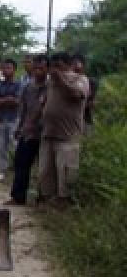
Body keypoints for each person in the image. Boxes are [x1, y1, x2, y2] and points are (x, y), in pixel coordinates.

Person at [38, 52, 90, 209]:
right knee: (46, 171)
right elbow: (44, 102)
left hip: (68, 136)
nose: (55, 70)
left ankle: (64, 202)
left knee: (66, 172)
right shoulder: (50, 82)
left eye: (59, 66)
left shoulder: (80, 79)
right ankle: (47, 200)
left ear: (68, 65)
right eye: (53, 66)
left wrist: (61, 80)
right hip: (49, 133)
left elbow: (77, 95)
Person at [7, 55, 47, 205]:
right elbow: (22, 109)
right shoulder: (28, 87)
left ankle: (42, 198)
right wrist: (20, 127)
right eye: (36, 68)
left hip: (44, 132)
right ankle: (18, 196)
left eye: (41, 68)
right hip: (28, 131)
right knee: (21, 163)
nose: (38, 71)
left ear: (47, 69)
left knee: (43, 168)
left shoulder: (50, 88)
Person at [0, 58, 21, 181]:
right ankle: (2, 171)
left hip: (14, 119)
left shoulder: (19, 84)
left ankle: (17, 170)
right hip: (1, 119)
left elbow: (18, 102)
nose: (5, 70)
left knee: (15, 146)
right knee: (1, 147)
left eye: (8, 68)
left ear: (14, 70)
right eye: (4, 68)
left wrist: (3, 100)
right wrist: (8, 99)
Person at [72, 54, 98, 134]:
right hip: (69, 122)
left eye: (76, 64)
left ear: (83, 65)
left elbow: (91, 101)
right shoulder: (68, 81)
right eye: (72, 64)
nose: (74, 67)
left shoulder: (91, 81)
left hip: (85, 119)